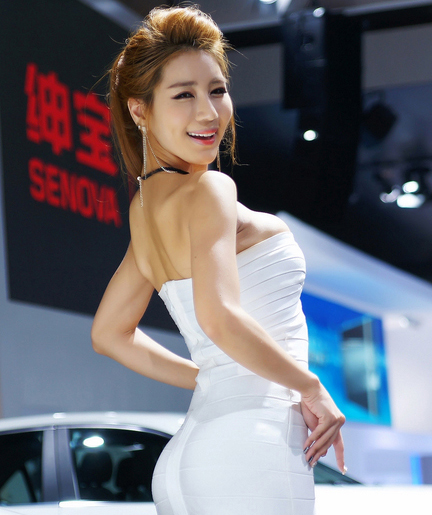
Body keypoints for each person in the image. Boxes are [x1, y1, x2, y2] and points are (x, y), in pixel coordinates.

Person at [90, 6, 345, 514]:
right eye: (184, 95)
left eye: (217, 90)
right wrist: (311, 387)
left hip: (194, 453)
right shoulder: (210, 189)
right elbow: (219, 316)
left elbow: (108, 334)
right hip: (252, 447)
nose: (209, 112)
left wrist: (213, 376)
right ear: (139, 110)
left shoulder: (145, 209)